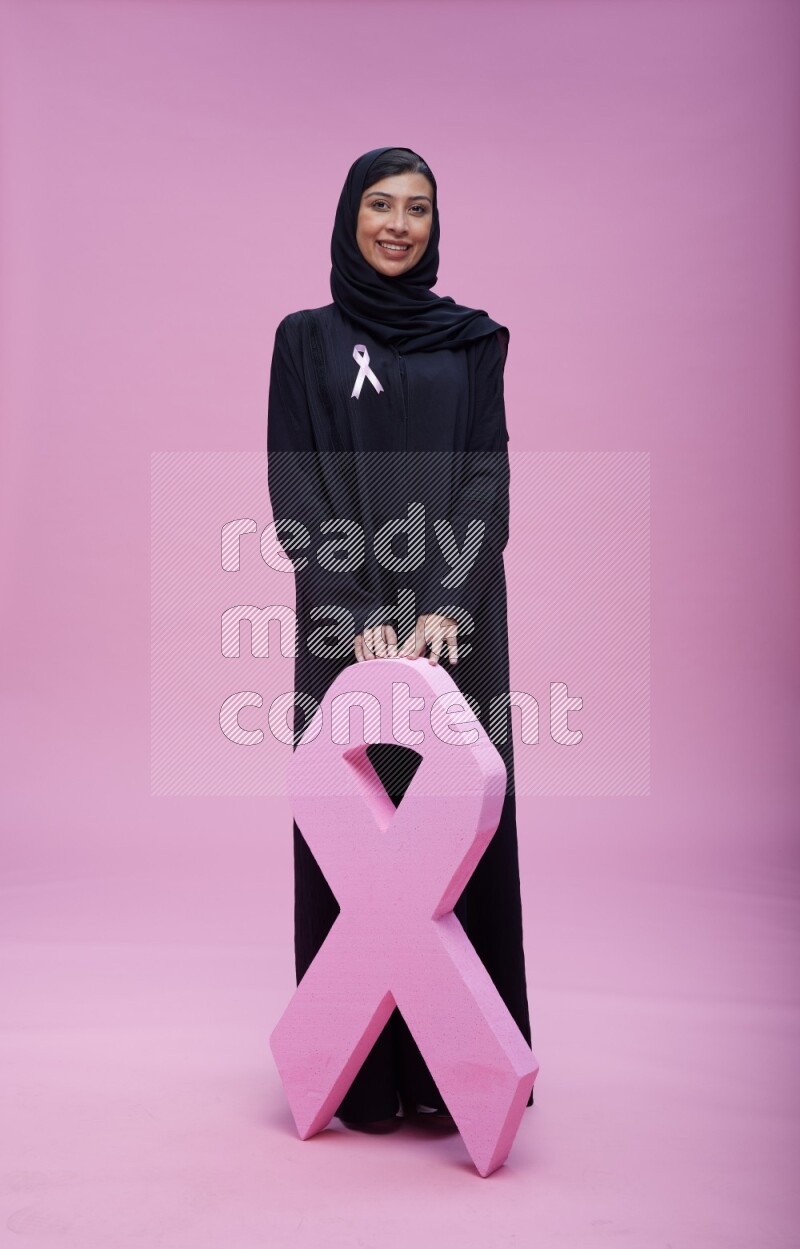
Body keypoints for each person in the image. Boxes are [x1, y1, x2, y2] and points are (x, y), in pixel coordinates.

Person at [267, 146, 533, 1133]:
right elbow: (296, 486)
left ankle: (458, 1071)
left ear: (434, 224)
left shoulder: (470, 340)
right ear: (349, 216)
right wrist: (361, 612)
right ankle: (366, 1078)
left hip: (455, 621)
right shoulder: (303, 341)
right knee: (358, 829)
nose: (396, 223)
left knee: (456, 826)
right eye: (378, 204)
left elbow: (485, 477)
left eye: (416, 208)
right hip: (348, 622)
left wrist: (444, 606)